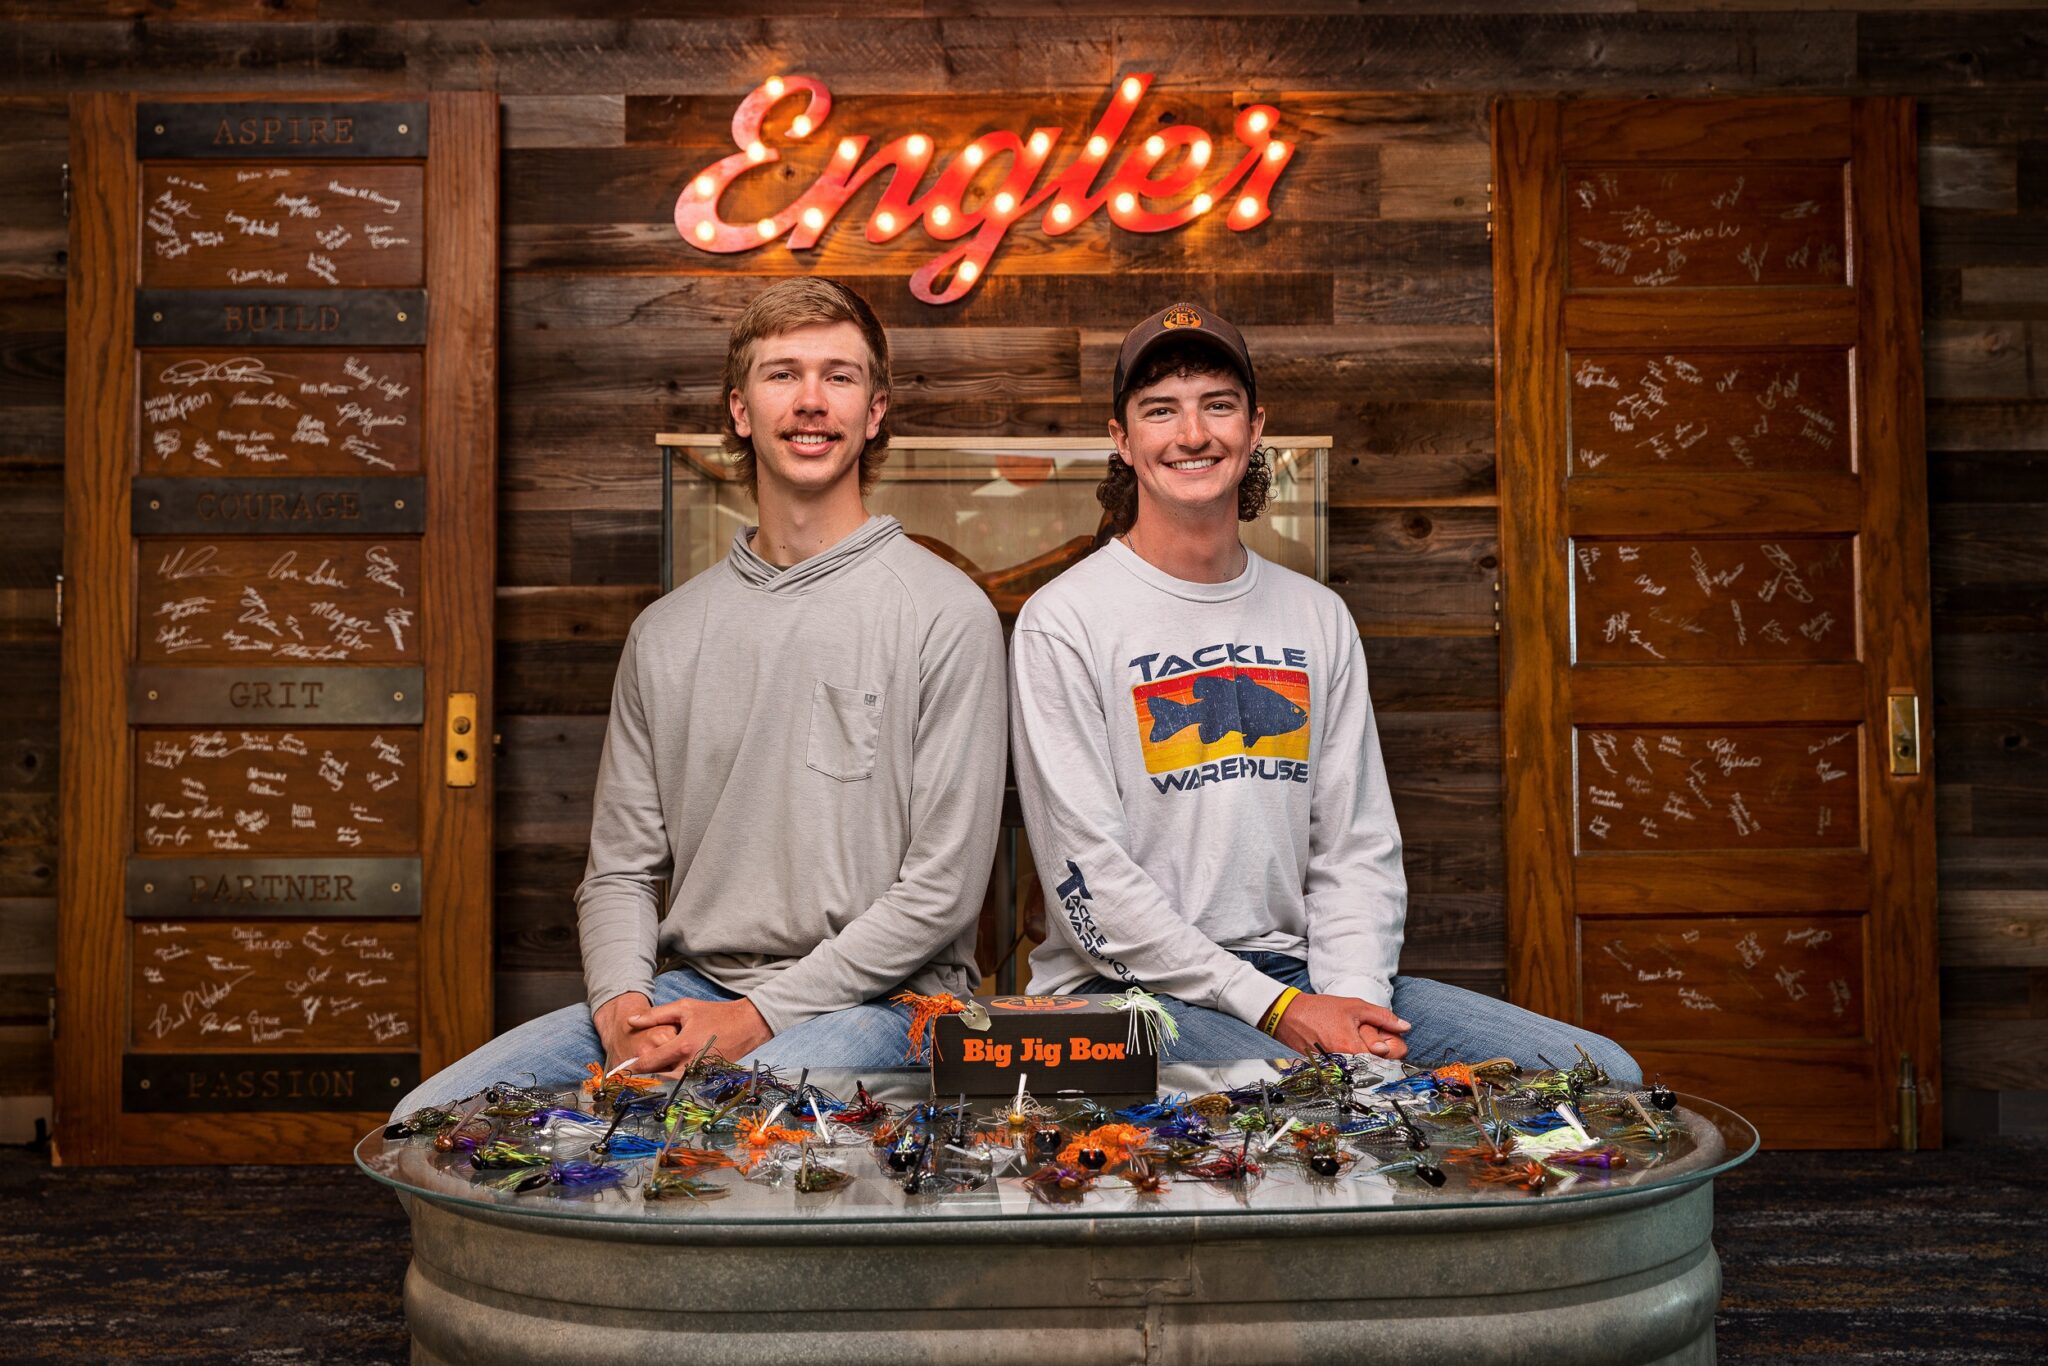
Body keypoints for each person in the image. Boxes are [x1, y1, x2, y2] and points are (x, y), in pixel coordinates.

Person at [393, 278, 1007, 1115]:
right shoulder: (666, 633)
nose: (812, 401)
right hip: (693, 986)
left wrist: (759, 1016)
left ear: (876, 413)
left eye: (840, 376)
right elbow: (619, 870)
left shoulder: (945, 612)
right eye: (782, 374)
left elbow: (940, 893)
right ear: (741, 410)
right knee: (427, 1121)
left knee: (703, 1122)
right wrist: (621, 1011)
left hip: (889, 1003)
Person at [1009, 302, 1640, 1083]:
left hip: (1301, 975)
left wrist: (1351, 1006)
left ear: (1255, 425)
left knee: (1599, 1073)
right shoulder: (1062, 621)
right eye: (1160, 410)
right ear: (1122, 440)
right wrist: (1279, 1012)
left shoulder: (1317, 617)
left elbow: (1355, 847)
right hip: (1127, 995)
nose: (1193, 433)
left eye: (1218, 404)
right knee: (1290, 1094)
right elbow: (1092, 886)